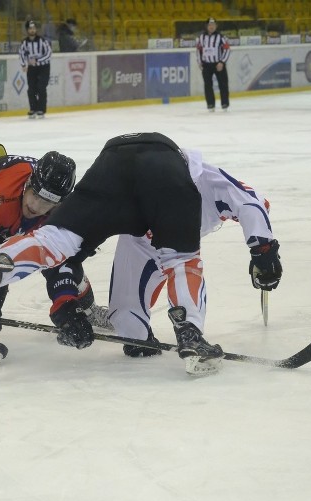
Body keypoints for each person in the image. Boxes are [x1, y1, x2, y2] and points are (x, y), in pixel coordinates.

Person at [0, 133, 279, 377]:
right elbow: (251, 203)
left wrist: (65, 308)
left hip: (113, 167)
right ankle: (191, 335)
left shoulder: (55, 202)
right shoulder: (206, 182)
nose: (40, 205)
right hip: (159, 167)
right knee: (181, 260)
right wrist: (263, 252)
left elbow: (64, 259)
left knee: (58, 241)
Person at [106, 148, 282, 366]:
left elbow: (253, 204)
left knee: (184, 268)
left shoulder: (210, 182)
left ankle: (190, 332)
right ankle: (137, 333)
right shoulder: (134, 184)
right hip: (138, 244)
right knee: (129, 328)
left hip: (180, 243)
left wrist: (263, 251)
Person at [0, 149, 80, 363]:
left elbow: (60, 259)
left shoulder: (65, 211)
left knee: (49, 248)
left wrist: (66, 302)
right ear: (28, 183)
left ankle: (89, 305)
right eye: (35, 196)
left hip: (7, 206)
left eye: (47, 203)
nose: (36, 207)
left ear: (59, 203)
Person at [18, 20, 52, 119]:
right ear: (27, 30)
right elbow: (21, 53)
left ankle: (41, 109)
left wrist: (37, 60)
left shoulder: (43, 40)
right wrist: (24, 64)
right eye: (30, 28)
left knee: (41, 87)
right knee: (31, 88)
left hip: (43, 67)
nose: (32, 30)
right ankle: (33, 108)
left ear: (36, 29)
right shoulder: (24, 42)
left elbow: (49, 54)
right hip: (32, 68)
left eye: (33, 28)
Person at [196, 17, 230, 111]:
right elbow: (199, 50)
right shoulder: (201, 37)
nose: (211, 27)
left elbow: (227, 49)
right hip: (206, 65)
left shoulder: (221, 37)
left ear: (216, 26)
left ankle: (225, 104)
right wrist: (200, 62)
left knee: (223, 84)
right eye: (210, 25)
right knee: (207, 85)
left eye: (213, 25)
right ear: (206, 26)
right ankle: (210, 104)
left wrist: (222, 62)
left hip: (218, 64)